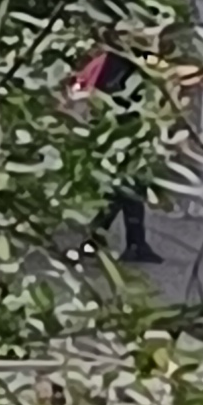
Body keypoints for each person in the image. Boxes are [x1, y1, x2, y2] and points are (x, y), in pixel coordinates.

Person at [68, 38, 156, 265]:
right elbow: (81, 89)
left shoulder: (135, 62)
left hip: (133, 134)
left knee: (130, 189)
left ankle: (131, 243)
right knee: (124, 189)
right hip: (116, 135)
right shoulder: (110, 63)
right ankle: (97, 239)